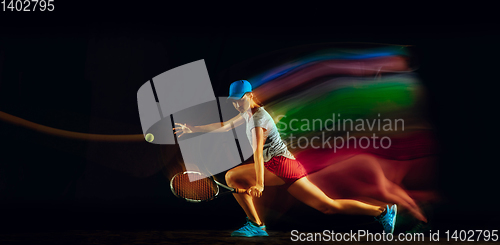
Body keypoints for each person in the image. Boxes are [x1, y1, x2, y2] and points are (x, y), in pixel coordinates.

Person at [173, 80, 397, 237]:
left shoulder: (258, 119)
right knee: (328, 206)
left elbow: (258, 153)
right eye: (232, 100)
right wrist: (193, 129)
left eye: (239, 99)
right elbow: (224, 126)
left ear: (249, 95)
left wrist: (259, 183)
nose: (235, 103)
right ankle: (384, 211)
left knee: (233, 176)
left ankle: (256, 225)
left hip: (281, 165)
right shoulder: (245, 113)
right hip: (285, 165)